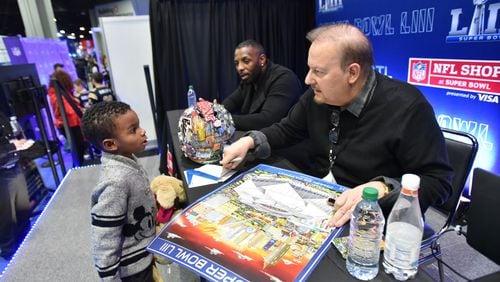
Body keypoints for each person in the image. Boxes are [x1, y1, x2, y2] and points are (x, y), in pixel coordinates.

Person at [221, 23, 453, 228]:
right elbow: (287, 129)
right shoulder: (317, 96)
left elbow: (438, 182)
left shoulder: (407, 107)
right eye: (310, 68)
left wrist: (382, 189)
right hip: (321, 203)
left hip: (372, 222)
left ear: (352, 73)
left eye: (318, 72)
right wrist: (249, 140)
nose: (307, 79)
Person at [82, 101, 155, 281]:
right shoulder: (115, 182)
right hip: (133, 270)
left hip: (145, 254)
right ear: (110, 144)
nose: (142, 131)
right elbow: (104, 238)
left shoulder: (128, 161)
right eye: (133, 130)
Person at [222, 40, 302, 130]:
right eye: (236, 63)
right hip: (261, 138)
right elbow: (230, 103)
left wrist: (223, 119)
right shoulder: (249, 80)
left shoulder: (284, 78)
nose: (240, 68)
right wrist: (211, 111)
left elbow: (267, 120)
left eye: (246, 61)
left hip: (288, 142)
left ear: (262, 59)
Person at [0, 112, 31, 259]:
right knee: (7, 218)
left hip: (14, 166)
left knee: (23, 210)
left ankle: (26, 245)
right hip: (2, 173)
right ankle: (10, 254)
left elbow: (11, 134)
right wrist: (13, 145)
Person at [48, 70, 85, 166]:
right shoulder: (58, 95)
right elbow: (71, 111)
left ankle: (78, 168)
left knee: (78, 150)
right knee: (78, 148)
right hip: (70, 125)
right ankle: (78, 169)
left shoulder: (56, 93)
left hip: (67, 124)